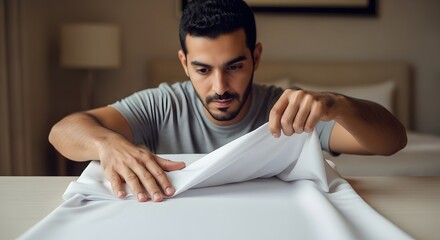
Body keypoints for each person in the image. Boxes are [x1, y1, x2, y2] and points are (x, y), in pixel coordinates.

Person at [49, 0, 407, 203]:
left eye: (234, 66)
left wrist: (339, 103)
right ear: (184, 63)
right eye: (203, 69)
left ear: (256, 57)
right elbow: (62, 131)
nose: (220, 87)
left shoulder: (288, 110)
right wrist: (107, 143)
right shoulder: (163, 104)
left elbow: (393, 142)